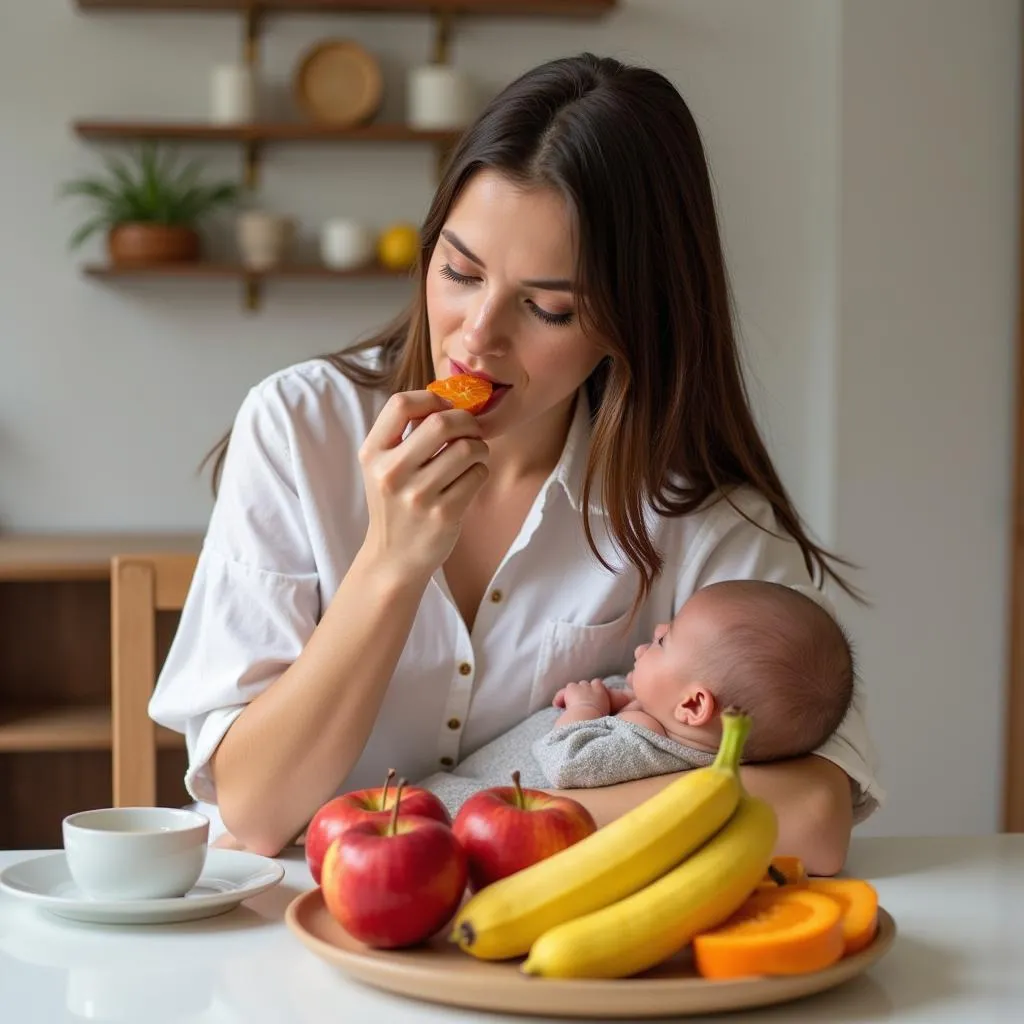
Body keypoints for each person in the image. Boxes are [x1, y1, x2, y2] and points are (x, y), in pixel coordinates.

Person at [148, 52, 884, 874]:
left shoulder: (700, 514)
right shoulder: (300, 427)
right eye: (459, 272)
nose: (475, 336)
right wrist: (391, 565)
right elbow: (253, 811)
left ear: (632, 319)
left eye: (548, 307)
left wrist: (467, 828)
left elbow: (815, 814)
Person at [418, 579, 855, 813]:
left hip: (471, 803)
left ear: (693, 705)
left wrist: (586, 710)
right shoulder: (668, 733)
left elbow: (567, 764)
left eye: (666, 641)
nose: (657, 633)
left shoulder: (645, 736)